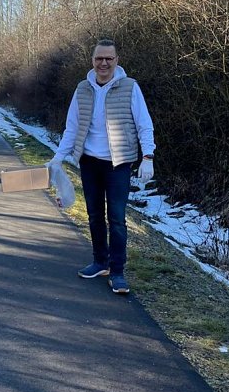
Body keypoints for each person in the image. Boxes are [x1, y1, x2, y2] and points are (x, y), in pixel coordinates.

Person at [50, 39, 155, 294]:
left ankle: (117, 271)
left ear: (117, 61)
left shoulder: (130, 87)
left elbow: (144, 123)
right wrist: (58, 157)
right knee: (95, 215)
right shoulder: (82, 89)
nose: (104, 63)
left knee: (117, 219)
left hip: (118, 164)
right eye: (99, 58)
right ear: (92, 61)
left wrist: (148, 156)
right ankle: (100, 262)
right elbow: (72, 127)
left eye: (109, 58)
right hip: (88, 162)